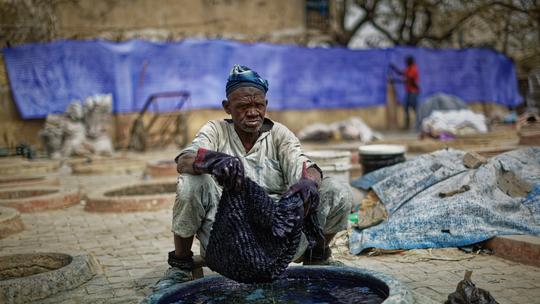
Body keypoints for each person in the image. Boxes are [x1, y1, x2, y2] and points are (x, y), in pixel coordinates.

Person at [153, 64, 352, 291]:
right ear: (227, 107)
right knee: (191, 181)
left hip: (280, 239)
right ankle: (181, 266)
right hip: (227, 240)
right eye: (243, 106)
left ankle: (318, 258)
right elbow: (184, 161)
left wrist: (309, 182)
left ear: (265, 105)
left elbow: (307, 167)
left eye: (258, 105)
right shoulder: (216, 131)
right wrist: (212, 161)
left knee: (337, 189)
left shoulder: (279, 134)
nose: (252, 112)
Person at [391, 56, 420, 129]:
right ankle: (407, 125)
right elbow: (401, 73)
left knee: (414, 107)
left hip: (413, 91)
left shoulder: (413, 68)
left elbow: (408, 80)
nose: (406, 63)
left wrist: (395, 81)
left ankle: (419, 123)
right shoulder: (409, 68)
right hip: (409, 91)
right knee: (406, 108)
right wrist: (393, 68)